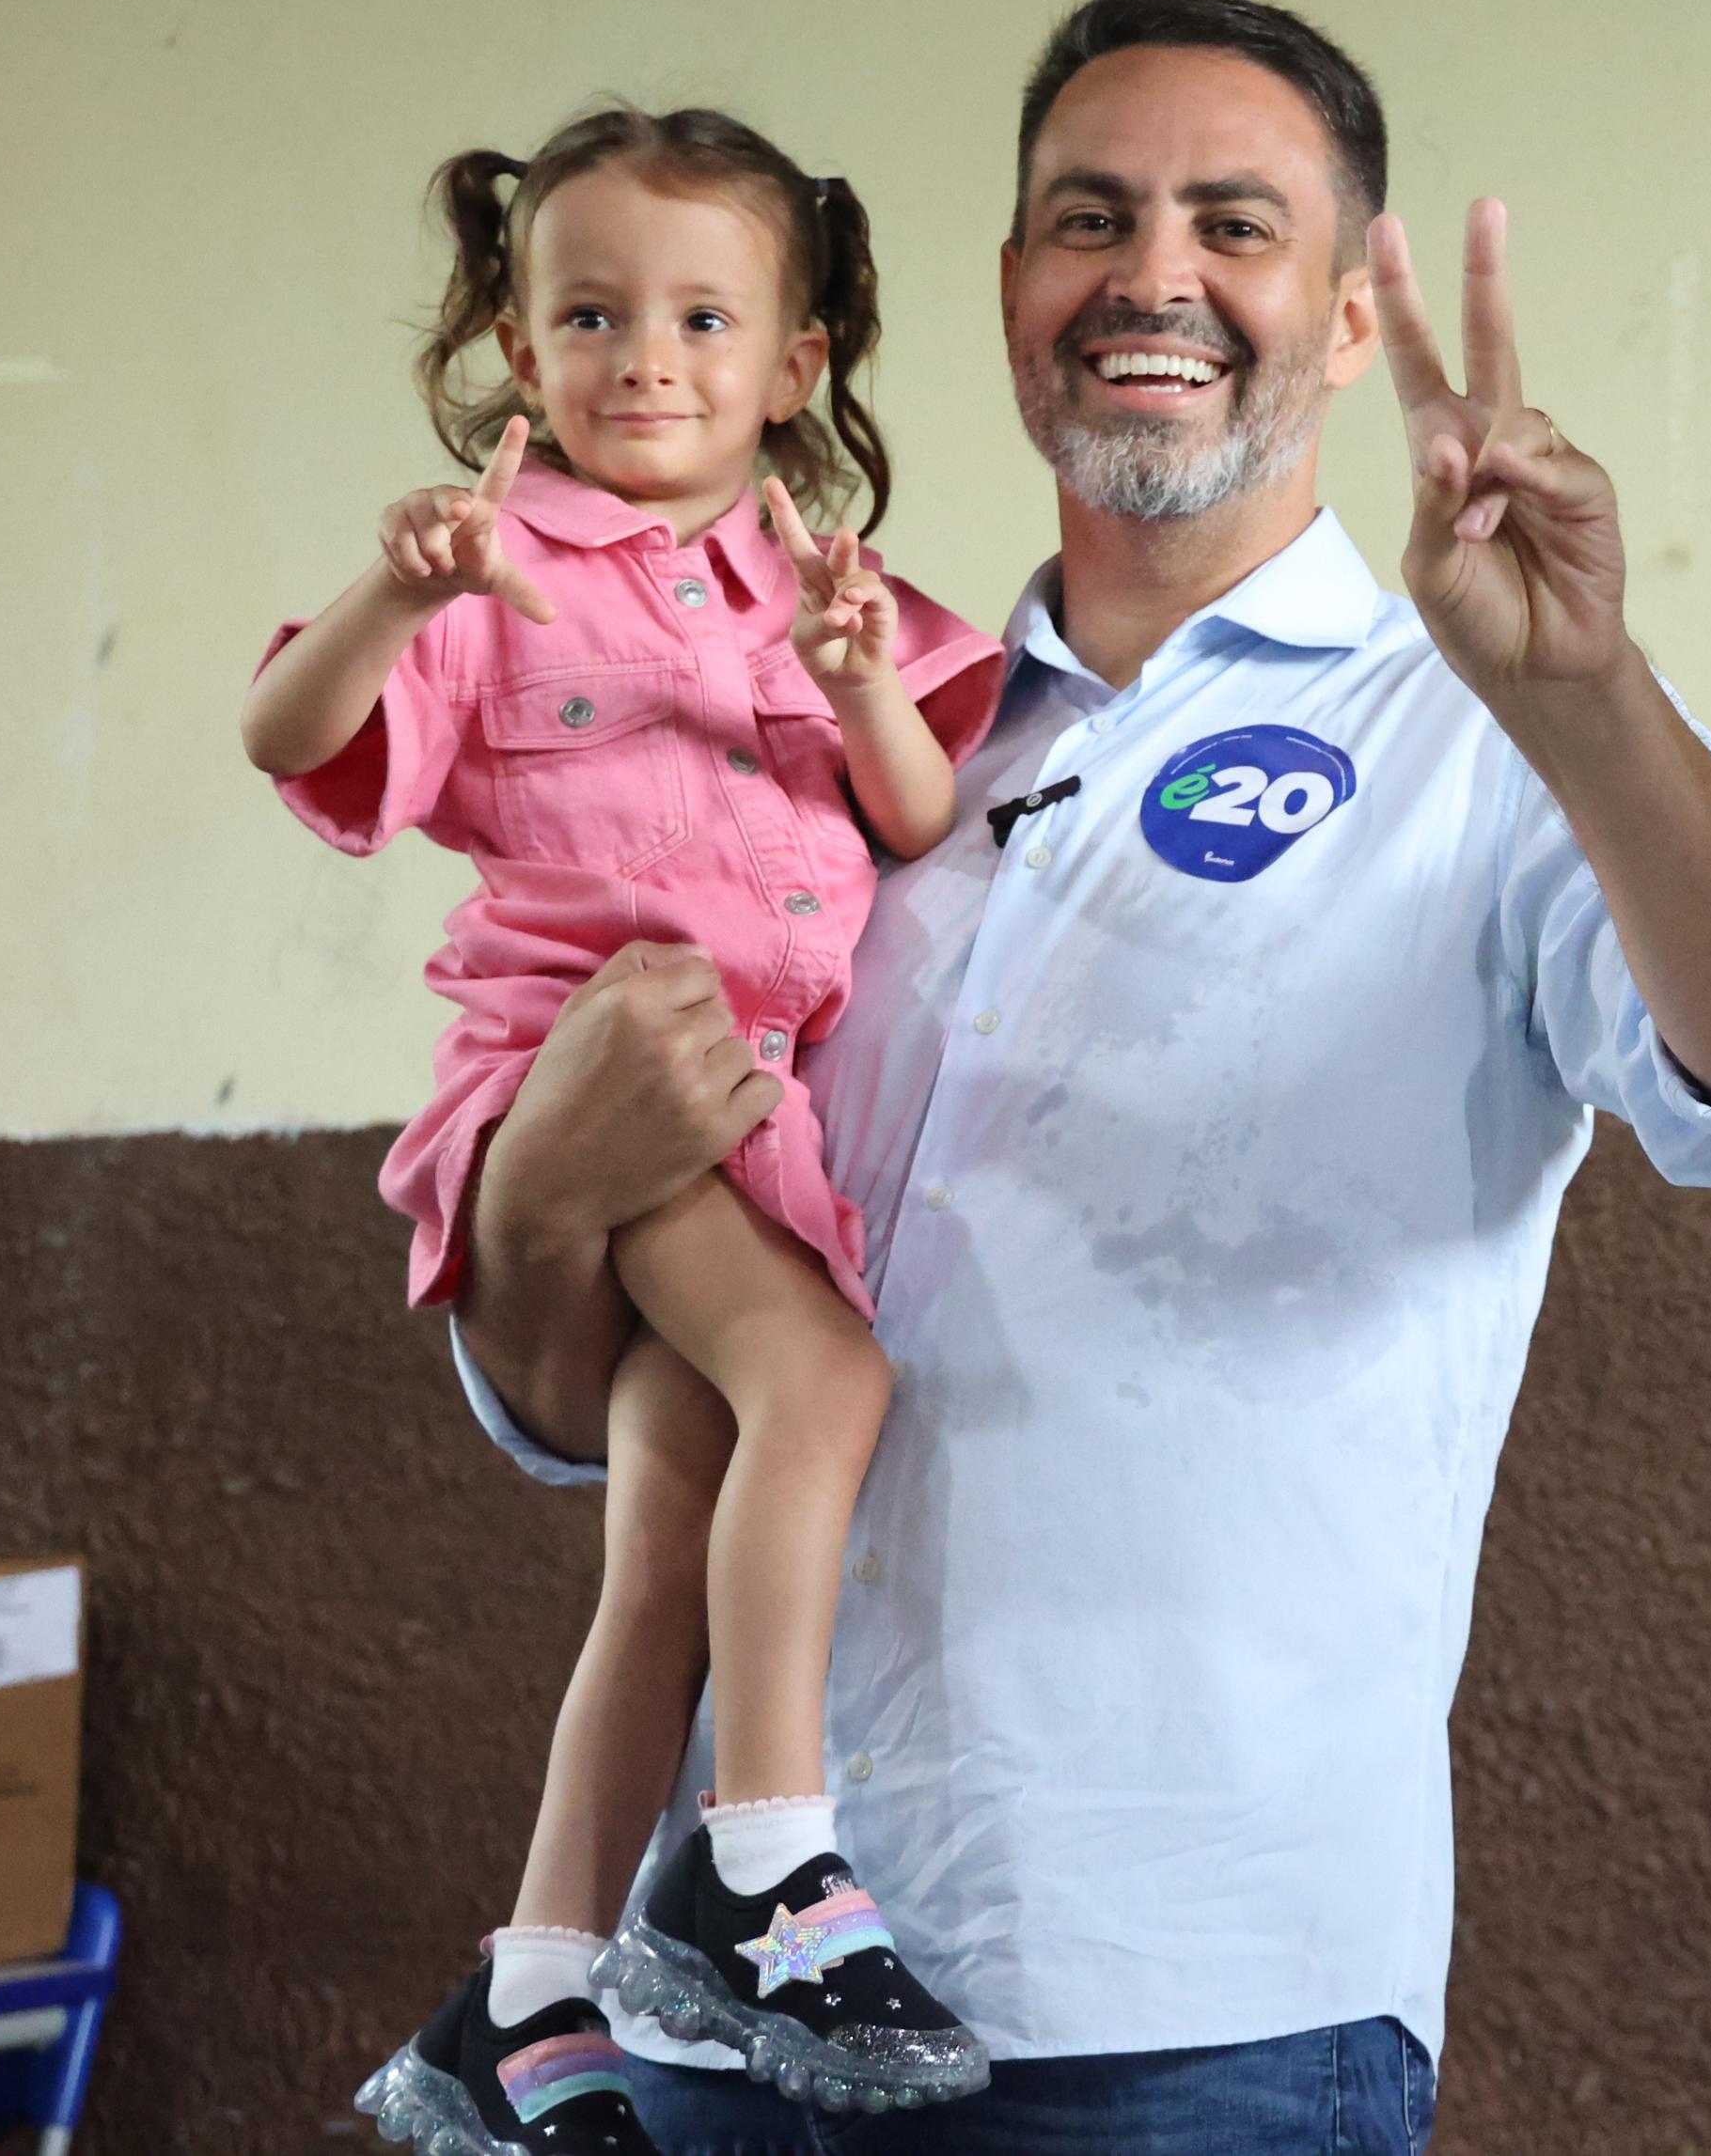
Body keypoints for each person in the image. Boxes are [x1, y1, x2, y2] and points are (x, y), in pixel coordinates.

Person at [444, 0, 1711, 2155]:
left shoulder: (1484, 720)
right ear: (1013, 297)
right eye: (1088, 218)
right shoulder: (860, 736)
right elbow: (586, 1406)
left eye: (1236, 223)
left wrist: (1590, 697)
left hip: (1182, 2016)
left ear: (1338, 321)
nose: (1153, 276)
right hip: (715, 2028)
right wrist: (536, 1192)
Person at [244, 107, 1005, 2153]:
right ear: (517, 340)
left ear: (796, 362)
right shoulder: (499, 568)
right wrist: (398, 601)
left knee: (663, 1538)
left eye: (698, 317)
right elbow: (291, 739)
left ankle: (533, 1985)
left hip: (759, 1123)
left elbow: (922, 818)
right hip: (600, 1080)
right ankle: (767, 1865)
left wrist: (855, 684)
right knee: (826, 1384)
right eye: (587, 314)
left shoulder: (827, 590)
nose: (642, 359)